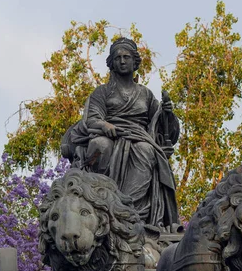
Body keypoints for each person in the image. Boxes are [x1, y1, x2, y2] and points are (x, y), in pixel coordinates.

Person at [64, 37, 180, 228]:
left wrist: (167, 113)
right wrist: (104, 126)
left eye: (127, 57)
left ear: (135, 62)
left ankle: (128, 209)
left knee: (146, 150)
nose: (123, 61)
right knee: (100, 145)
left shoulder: (145, 94)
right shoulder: (102, 92)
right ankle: (102, 200)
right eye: (118, 58)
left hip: (139, 137)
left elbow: (161, 125)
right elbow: (91, 119)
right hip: (110, 135)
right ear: (112, 63)